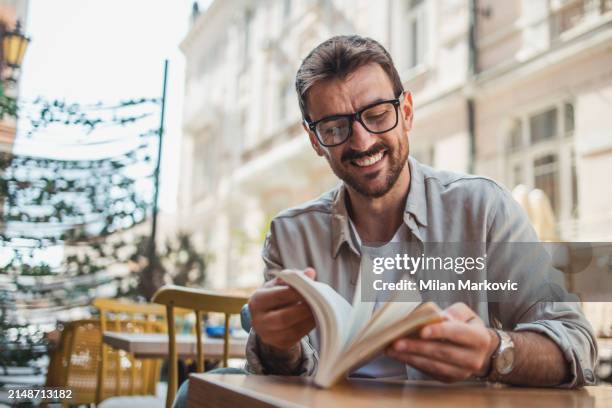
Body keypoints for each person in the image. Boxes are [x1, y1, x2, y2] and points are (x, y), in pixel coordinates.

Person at [245, 35, 597, 386]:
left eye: (378, 115)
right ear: (315, 142)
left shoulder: (483, 209)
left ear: (407, 113)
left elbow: (577, 344)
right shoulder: (290, 235)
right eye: (335, 128)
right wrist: (276, 344)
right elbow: (280, 382)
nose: (363, 142)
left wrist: (494, 351)